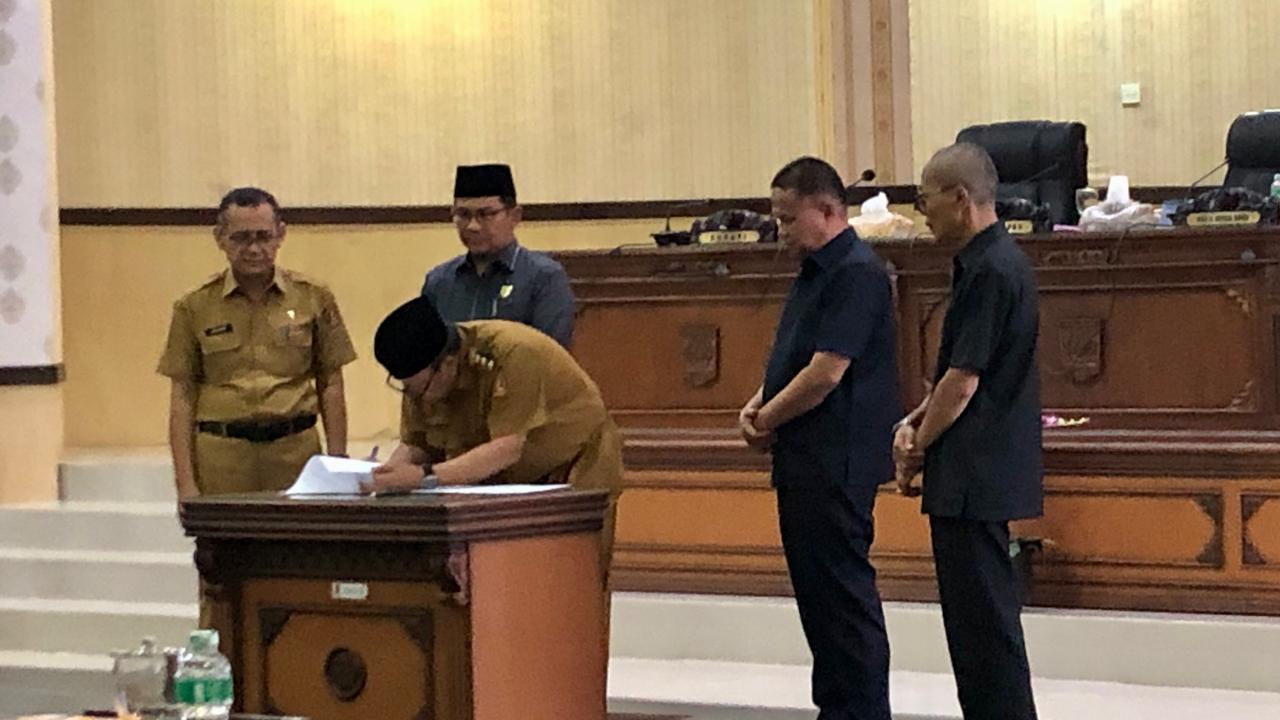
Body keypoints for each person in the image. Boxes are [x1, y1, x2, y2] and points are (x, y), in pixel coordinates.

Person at [737, 157, 900, 720]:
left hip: (836, 461)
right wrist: (759, 400)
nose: (780, 230)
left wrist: (767, 419)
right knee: (821, 608)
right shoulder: (815, 271)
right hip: (806, 459)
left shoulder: (856, 272)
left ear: (828, 210)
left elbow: (826, 372)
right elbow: (796, 356)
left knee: (843, 607)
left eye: (788, 219)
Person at [894, 142, 1042, 720]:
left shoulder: (990, 269)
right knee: (978, 630)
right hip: (977, 472)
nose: (922, 213)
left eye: (924, 199)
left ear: (959, 199)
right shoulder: (991, 262)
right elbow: (954, 376)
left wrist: (917, 446)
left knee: (984, 632)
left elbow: (962, 382)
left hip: (974, 475)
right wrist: (915, 420)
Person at [367, 295, 622, 565]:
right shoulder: (421, 381)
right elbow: (417, 444)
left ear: (448, 364)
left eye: (420, 389)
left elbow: (508, 448)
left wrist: (424, 477)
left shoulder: (513, 352)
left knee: (569, 573)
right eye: (406, 389)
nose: (418, 398)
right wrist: (384, 477)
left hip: (574, 466)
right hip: (503, 484)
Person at [158, 187, 357, 501]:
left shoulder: (313, 297)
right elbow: (182, 395)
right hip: (222, 459)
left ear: (281, 234)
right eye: (241, 238)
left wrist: (336, 464)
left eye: (264, 237)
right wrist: (185, 485)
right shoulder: (193, 307)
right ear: (219, 238)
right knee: (225, 535)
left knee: (298, 534)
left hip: (295, 455)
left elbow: (331, 381)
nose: (253, 248)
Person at [421, 163, 575, 347]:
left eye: (486, 214)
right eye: (463, 214)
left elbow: (550, 355)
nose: (472, 226)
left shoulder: (544, 278)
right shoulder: (439, 282)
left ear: (514, 216)